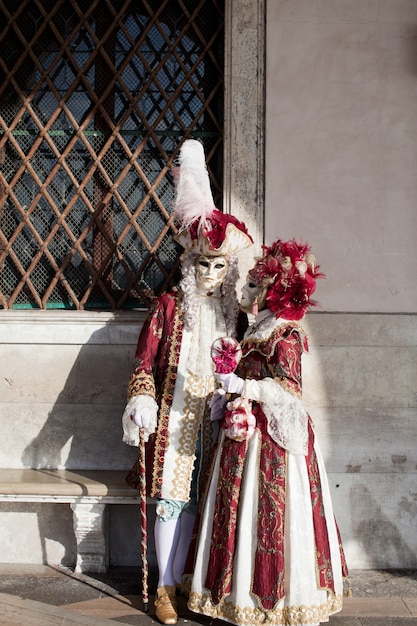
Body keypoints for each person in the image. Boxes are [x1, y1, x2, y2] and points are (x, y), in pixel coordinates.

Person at [121, 139, 253, 625]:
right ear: (189, 262)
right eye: (204, 265)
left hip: (218, 421)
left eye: (221, 266)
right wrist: (142, 401)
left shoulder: (233, 315)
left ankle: (190, 582)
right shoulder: (169, 307)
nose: (213, 275)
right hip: (177, 419)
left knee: (202, 498)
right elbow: (143, 362)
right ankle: (163, 587)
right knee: (170, 500)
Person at [188, 238, 349, 626]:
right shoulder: (260, 327)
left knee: (271, 512)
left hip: (271, 440)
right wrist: (229, 391)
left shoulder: (286, 334)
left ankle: (276, 601)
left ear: (271, 290)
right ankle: (236, 593)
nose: (244, 290)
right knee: (239, 510)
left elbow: (289, 391)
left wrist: (244, 388)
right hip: (244, 431)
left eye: (252, 285)